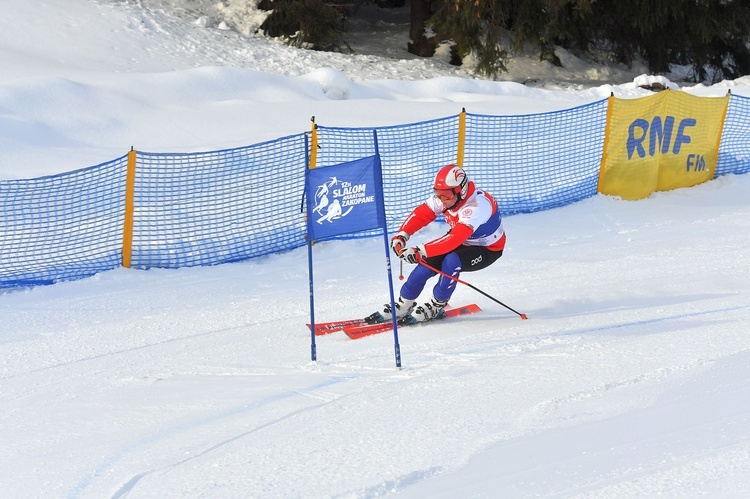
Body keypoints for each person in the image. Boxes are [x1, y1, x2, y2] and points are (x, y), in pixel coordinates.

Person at [367, 164, 506, 324]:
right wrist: (402, 235)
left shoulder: (477, 205)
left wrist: (419, 250)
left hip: (487, 248)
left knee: (451, 261)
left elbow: (454, 238)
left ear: (461, 191)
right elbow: (422, 214)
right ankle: (404, 303)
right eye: (437, 193)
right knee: (426, 264)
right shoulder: (448, 199)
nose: (440, 198)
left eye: (445, 194)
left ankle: (437, 305)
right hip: (463, 240)